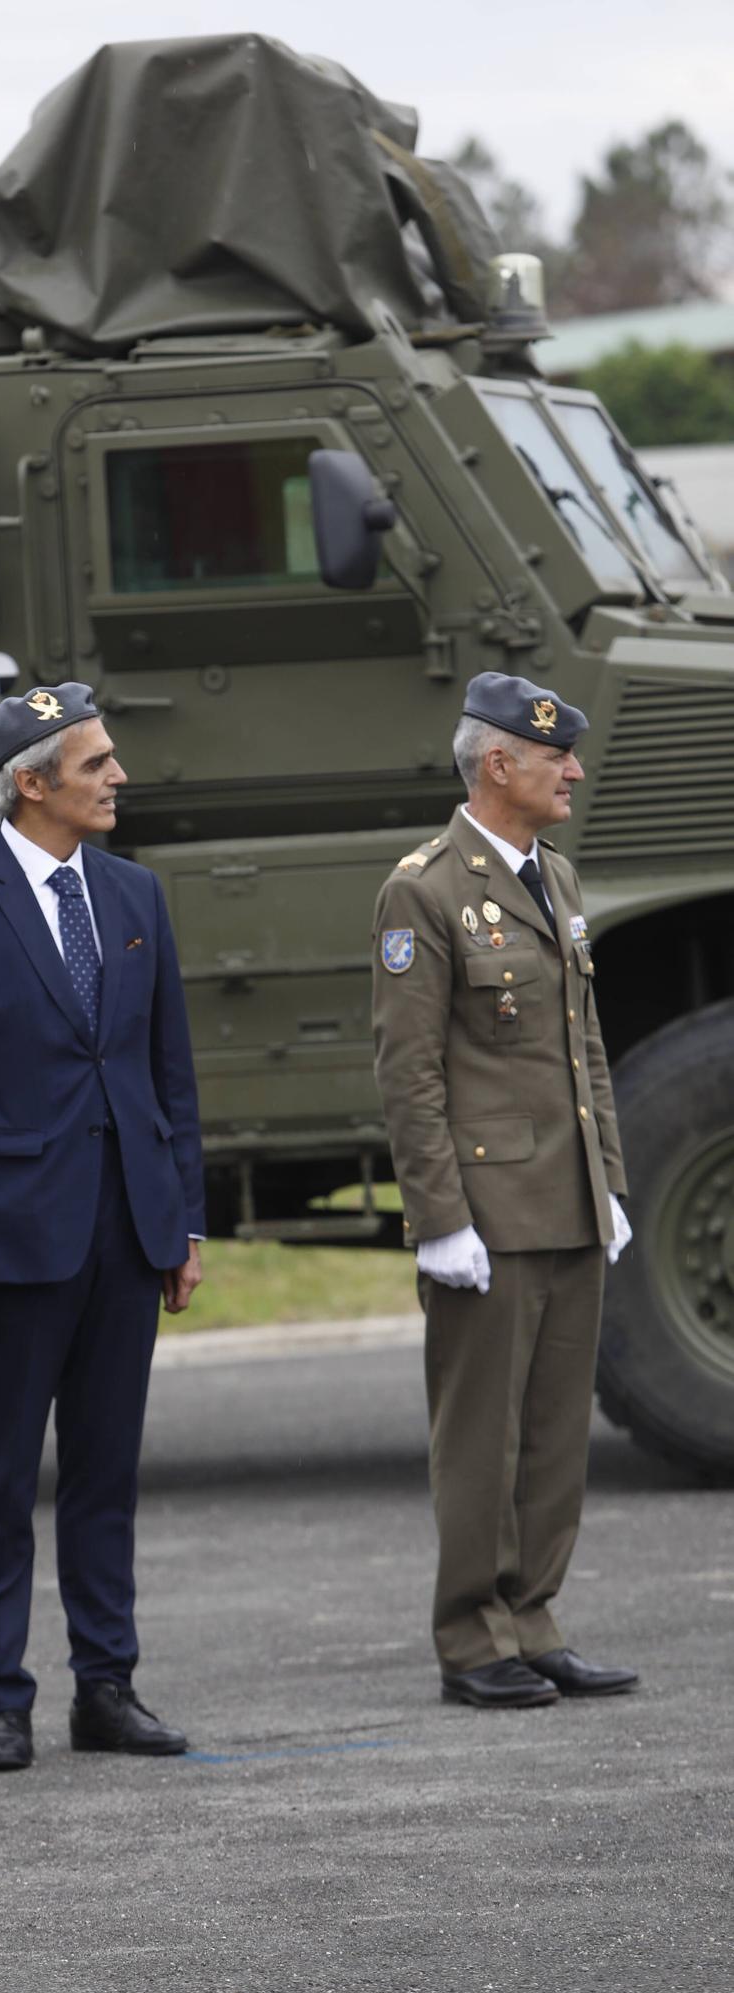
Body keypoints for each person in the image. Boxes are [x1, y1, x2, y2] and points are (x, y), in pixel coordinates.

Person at [0, 684, 205, 1771]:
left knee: (107, 1470)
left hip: (126, 1233)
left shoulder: (135, 896)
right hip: (12, 1244)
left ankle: (105, 1687)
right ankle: (3, 1696)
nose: (118, 776)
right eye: (96, 762)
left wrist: (183, 1220)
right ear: (32, 783)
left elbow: (169, 1073)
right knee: (2, 1472)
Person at [372, 673, 639, 1709]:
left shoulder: (554, 879)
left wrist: (607, 1180)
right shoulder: (424, 888)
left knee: (553, 1430)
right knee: (480, 1434)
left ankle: (534, 1616)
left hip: (566, 1199)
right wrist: (439, 1219)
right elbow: (409, 1071)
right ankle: (470, 1634)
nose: (572, 768)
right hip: (486, 1212)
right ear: (498, 765)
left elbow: (586, 1052)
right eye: (553, 754)